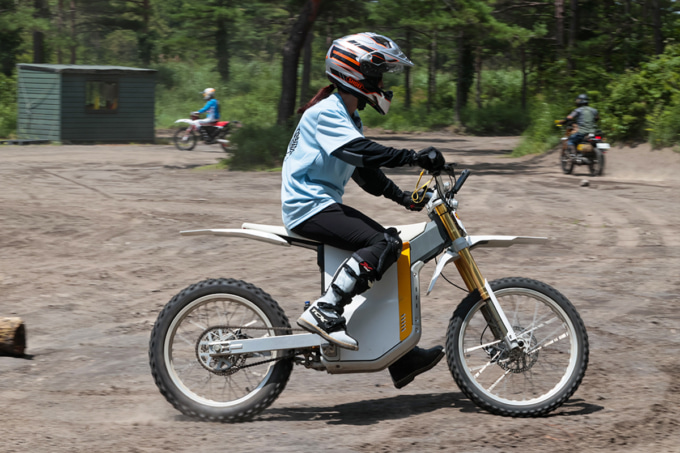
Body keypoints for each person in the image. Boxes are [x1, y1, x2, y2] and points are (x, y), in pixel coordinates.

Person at [281, 32, 446, 389]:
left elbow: (365, 172)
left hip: (321, 204)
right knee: (384, 243)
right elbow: (365, 152)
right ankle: (325, 310)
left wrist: (404, 198)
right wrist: (414, 157)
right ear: (357, 74)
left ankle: (398, 358)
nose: (383, 84)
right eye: (379, 74)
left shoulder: (347, 118)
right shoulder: (327, 113)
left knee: (391, 254)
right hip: (307, 207)